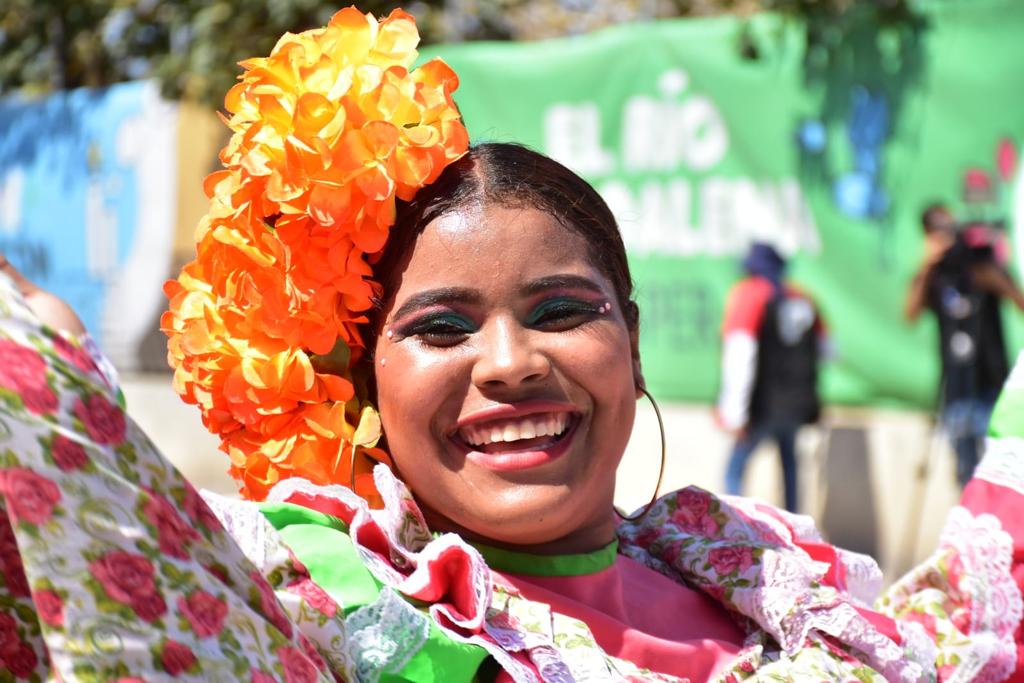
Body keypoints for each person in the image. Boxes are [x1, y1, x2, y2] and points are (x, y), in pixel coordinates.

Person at [0, 9, 1022, 682]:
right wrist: (41, 374)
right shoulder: (305, 595)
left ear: (632, 342)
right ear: (360, 384)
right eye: (439, 326)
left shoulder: (765, 574)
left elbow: (979, 607)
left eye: (562, 309)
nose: (509, 361)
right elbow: (93, 563)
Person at [905, 202, 1024, 485]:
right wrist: (926, 265)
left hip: (991, 384)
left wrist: (993, 275)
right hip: (956, 387)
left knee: (1001, 473)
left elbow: (1019, 302)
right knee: (965, 473)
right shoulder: (935, 274)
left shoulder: (981, 266)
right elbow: (909, 313)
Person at [717, 243, 825, 512]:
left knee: (735, 471)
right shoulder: (803, 297)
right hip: (796, 403)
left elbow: (740, 355)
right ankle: (798, 535)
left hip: (761, 404)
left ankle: (735, 530)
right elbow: (829, 349)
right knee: (790, 470)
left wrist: (735, 412)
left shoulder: (750, 295)